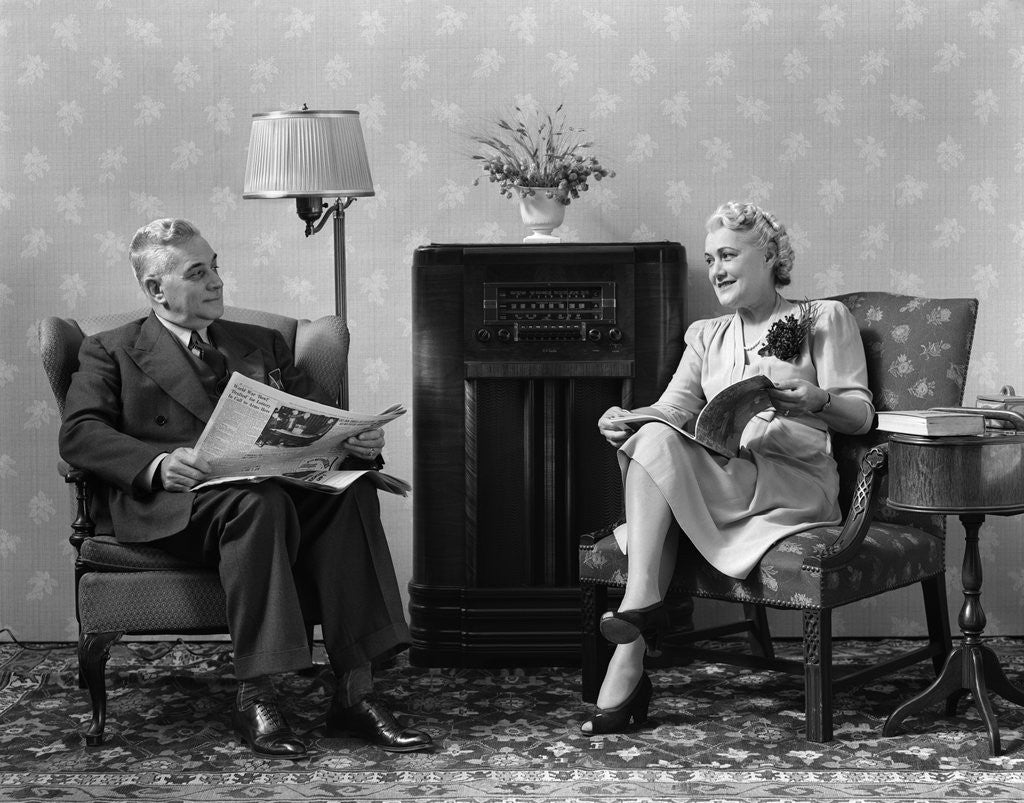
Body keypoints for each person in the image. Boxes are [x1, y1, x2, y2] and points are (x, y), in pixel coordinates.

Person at [59, 218, 432, 759]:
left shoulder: (264, 343)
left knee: (350, 490)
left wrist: (357, 443)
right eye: (198, 271)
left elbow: (316, 420)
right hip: (174, 504)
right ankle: (257, 694)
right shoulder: (108, 350)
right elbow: (80, 433)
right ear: (156, 289)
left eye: (216, 267)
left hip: (267, 490)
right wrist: (157, 463)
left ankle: (355, 693)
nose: (216, 281)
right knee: (259, 503)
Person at [581, 202, 874, 735]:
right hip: (731, 474)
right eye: (711, 257)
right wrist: (623, 418)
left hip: (795, 481)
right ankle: (640, 612)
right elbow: (672, 410)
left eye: (729, 255)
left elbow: (860, 415)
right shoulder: (706, 335)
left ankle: (631, 643)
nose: (716, 268)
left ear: (769, 256)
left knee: (659, 469)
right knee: (651, 436)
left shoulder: (823, 317)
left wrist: (816, 400)